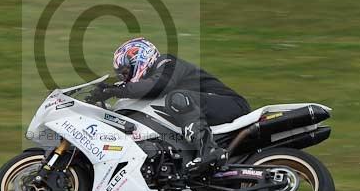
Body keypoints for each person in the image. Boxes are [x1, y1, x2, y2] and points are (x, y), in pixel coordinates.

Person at [94, 37, 251, 176]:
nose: (124, 78)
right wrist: (103, 94)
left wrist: (116, 90)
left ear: (141, 60)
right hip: (207, 108)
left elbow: (158, 85)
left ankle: (209, 151)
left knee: (177, 98)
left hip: (230, 104)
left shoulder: (167, 63)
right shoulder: (150, 77)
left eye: (126, 72)